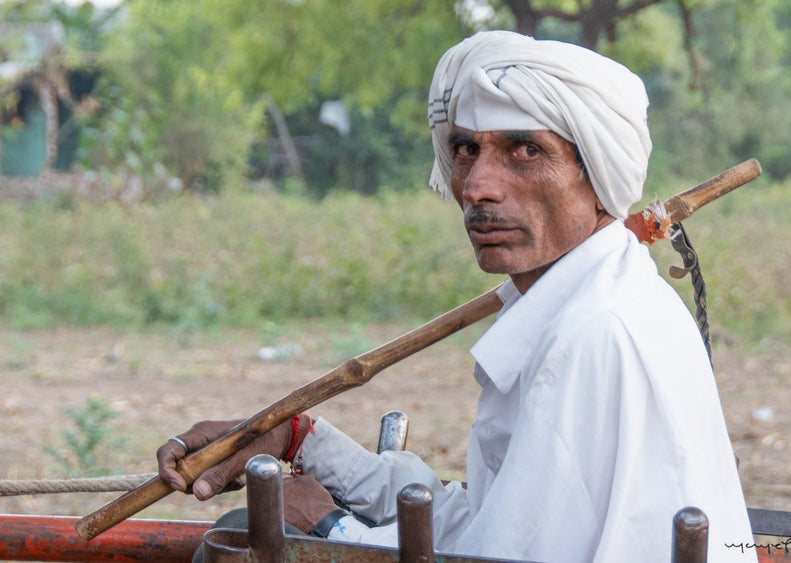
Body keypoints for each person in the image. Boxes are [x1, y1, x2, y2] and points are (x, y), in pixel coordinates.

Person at [158, 30, 756, 562]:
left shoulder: (594, 335)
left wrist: (327, 524)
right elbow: (490, 522)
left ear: (597, 178)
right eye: (467, 149)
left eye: (526, 150)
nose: (476, 185)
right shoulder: (596, 300)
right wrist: (300, 441)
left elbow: (501, 555)